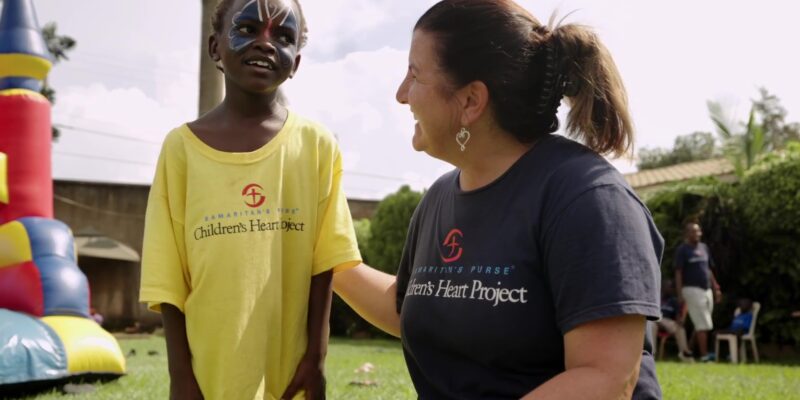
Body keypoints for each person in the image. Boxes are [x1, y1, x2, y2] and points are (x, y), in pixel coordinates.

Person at [334, 1, 663, 398]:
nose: (402, 95)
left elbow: (606, 378)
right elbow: (414, 307)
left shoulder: (587, 198)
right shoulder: (439, 197)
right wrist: (331, 262)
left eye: (414, 75)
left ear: (471, 101)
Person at [138, 0, 361, 399]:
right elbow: (167, 276)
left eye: (283, 36)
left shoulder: (316, 147)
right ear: (214, 49)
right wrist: (180, 376)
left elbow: (324, 264)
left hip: (289, 372)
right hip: (209, 373)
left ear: (296, 64)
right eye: (247, 29)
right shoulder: (180, 150)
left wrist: (316, 359)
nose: (265, 44)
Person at [675, 222, 722, 362]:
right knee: (703, 323)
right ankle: (704, 356)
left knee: (701, 322)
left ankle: (687, 351)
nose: (697, 234)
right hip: (691, 289)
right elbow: (678, 272)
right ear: (687, 234)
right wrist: (679, 293)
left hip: (706, 289)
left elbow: (708, 269)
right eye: (693, 231)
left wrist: (716, 288)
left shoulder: (704, 248)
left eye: (698, 231)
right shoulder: (682, 250)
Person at [656, 280, 693, 362]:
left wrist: (681, 320)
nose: (669, 289)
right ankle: (652, 354)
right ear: (663, 288)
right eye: (668, 286)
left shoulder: (673, 301)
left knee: (680, 328)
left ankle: (685, 355)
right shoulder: (657, 299)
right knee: (652, 324)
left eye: (671, 287)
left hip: (668, 323)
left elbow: (678, 316)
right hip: (655, 321)